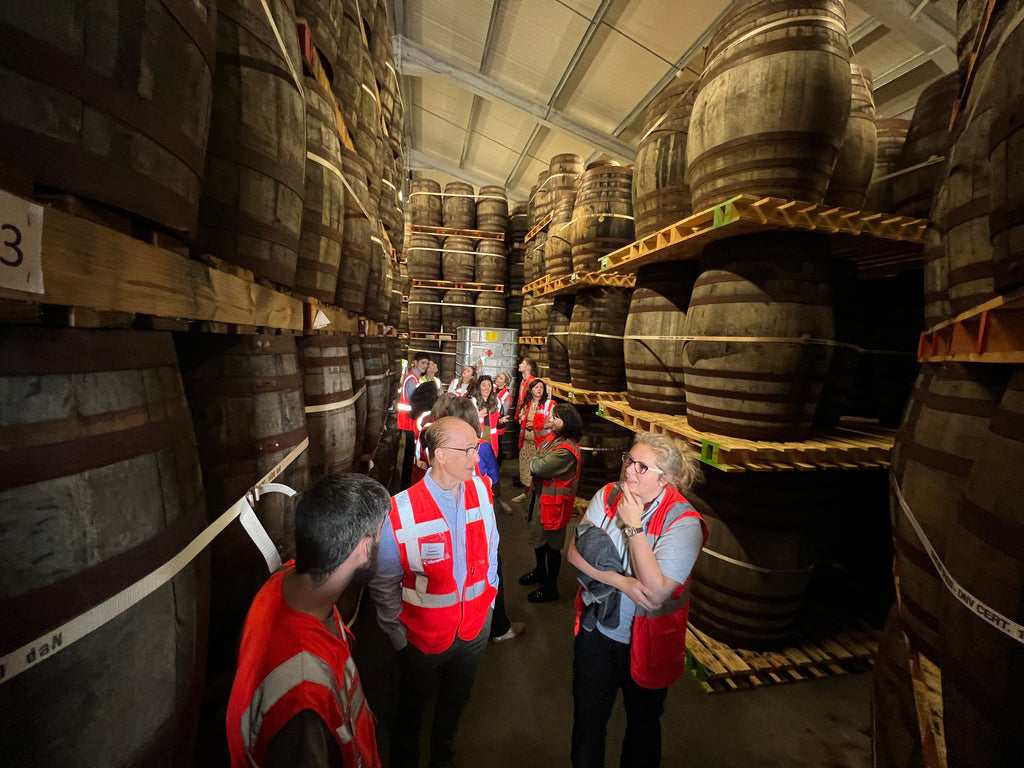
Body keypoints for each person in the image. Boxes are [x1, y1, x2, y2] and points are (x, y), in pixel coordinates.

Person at [226, 473, 391, 768]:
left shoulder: (286, 581)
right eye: (381, 534)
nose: (384, 541)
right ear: (364, 548)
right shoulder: (302, 701)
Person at [567, 434, 708, 768]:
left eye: (642, 467)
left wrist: (633, 527)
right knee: (587, 723)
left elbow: (656, 591)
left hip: (646, 643)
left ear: (666, 480)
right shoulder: (607, 495)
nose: (630, 470)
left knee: (643, 729)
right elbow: (574, 553)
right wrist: (621, 582)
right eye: (629, 460)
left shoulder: (684, 524)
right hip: (597, 633)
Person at [369, 417, 500, 768]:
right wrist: (400, 639)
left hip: (473, 630)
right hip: (421, 640)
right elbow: (383, 585)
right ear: (440, 455)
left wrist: (489, 599)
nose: (478, 457)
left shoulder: (482, 491)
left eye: (478, 447)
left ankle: (443, 752)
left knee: (455, 701)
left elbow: (492, 547)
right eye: (470, 450)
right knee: (410, 710)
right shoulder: (399, 511)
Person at [519, 403, 583, 603]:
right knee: (539, 538)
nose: (551, 419)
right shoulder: (554, 439)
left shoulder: (566, 450)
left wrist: (535, 461)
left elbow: (537, 465)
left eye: (556, 417)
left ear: (568, 423)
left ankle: (551, 587)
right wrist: (537, 458)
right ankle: (540, 571)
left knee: (552, 545)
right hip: (544, 498)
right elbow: (538, 456)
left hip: (555, 504)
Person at [512, 378, 554, 502]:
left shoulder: (549, 404)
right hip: (526, 444)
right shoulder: (526, 404)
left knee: (537, 472)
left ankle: (537, 497)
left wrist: (535, 424)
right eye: (536, 387)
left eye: (541, 387)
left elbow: (552, 423)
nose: (539, 390)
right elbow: (520, 419)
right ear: (531, 390)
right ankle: (526, 494)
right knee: (525, 469)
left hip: (541, 445)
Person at [474, 374, 510, 515]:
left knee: (494, 472)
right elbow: (467, 421)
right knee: (478, 472)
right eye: (483, 385)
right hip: (477, 443)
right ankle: (479, 501)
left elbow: (498, 425)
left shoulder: (497, 402)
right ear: (479, 386)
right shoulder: (473, 402)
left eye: (489, 385)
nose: (487, 388)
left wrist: (501, 422)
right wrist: (478, 415)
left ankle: (497, 499)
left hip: (492, 442)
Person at [399, 353, 431, 488]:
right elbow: (415, 400)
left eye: (427, 364)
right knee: (409, 454)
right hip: (408, 421)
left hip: (410, 420)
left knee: (410, 452)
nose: (425, 366)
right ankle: (405, 484)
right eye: (423, 363)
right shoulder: (411, 379)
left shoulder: (416, 378)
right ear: (415, 363)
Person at [409, 380, 441, 487]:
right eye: (437, 391)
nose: (440, 394)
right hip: (423, 467)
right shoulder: (427, 417)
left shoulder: (422, 413)